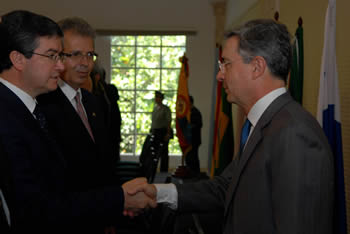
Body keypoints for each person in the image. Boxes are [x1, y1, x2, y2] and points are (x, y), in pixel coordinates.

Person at [128, 19, 334, 234]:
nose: (219, 75)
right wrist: (157, 192)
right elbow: (226, 187)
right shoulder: (264, 124)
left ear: (257, 67)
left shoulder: (295, 134)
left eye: (226, 63)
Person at [0, 10, 155, 234]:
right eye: (53, 55)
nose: (61, 65)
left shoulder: (27, 108)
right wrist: (118, 199)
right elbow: (36, 209)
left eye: (61, 56)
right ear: (18, 59)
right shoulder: (8, 118)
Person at [90, 62, 122, 162]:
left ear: (97, 77)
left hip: (108, 139)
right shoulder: (105, 92)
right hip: (111, 138)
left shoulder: (101, 94)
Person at [151, 91, 172, 172]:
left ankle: (164, 170)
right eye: (156, 97)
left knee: (164, 153)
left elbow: (168, 121)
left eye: (158, 97)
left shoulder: (166, 109)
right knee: (155, 152)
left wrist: (168, 133)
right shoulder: (155, 108)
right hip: (155, 132)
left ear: (162, 99)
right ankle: (153, 169)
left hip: (162, 132)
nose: (157, 99)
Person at [185, 95, 203, 174]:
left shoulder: (195, 112)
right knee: (188, 157)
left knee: (194, 157)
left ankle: (195, 173)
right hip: (188, 140)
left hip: (194, 139)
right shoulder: (187, 112)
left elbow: (199, 124)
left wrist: (189, 126)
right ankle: (190, 172)